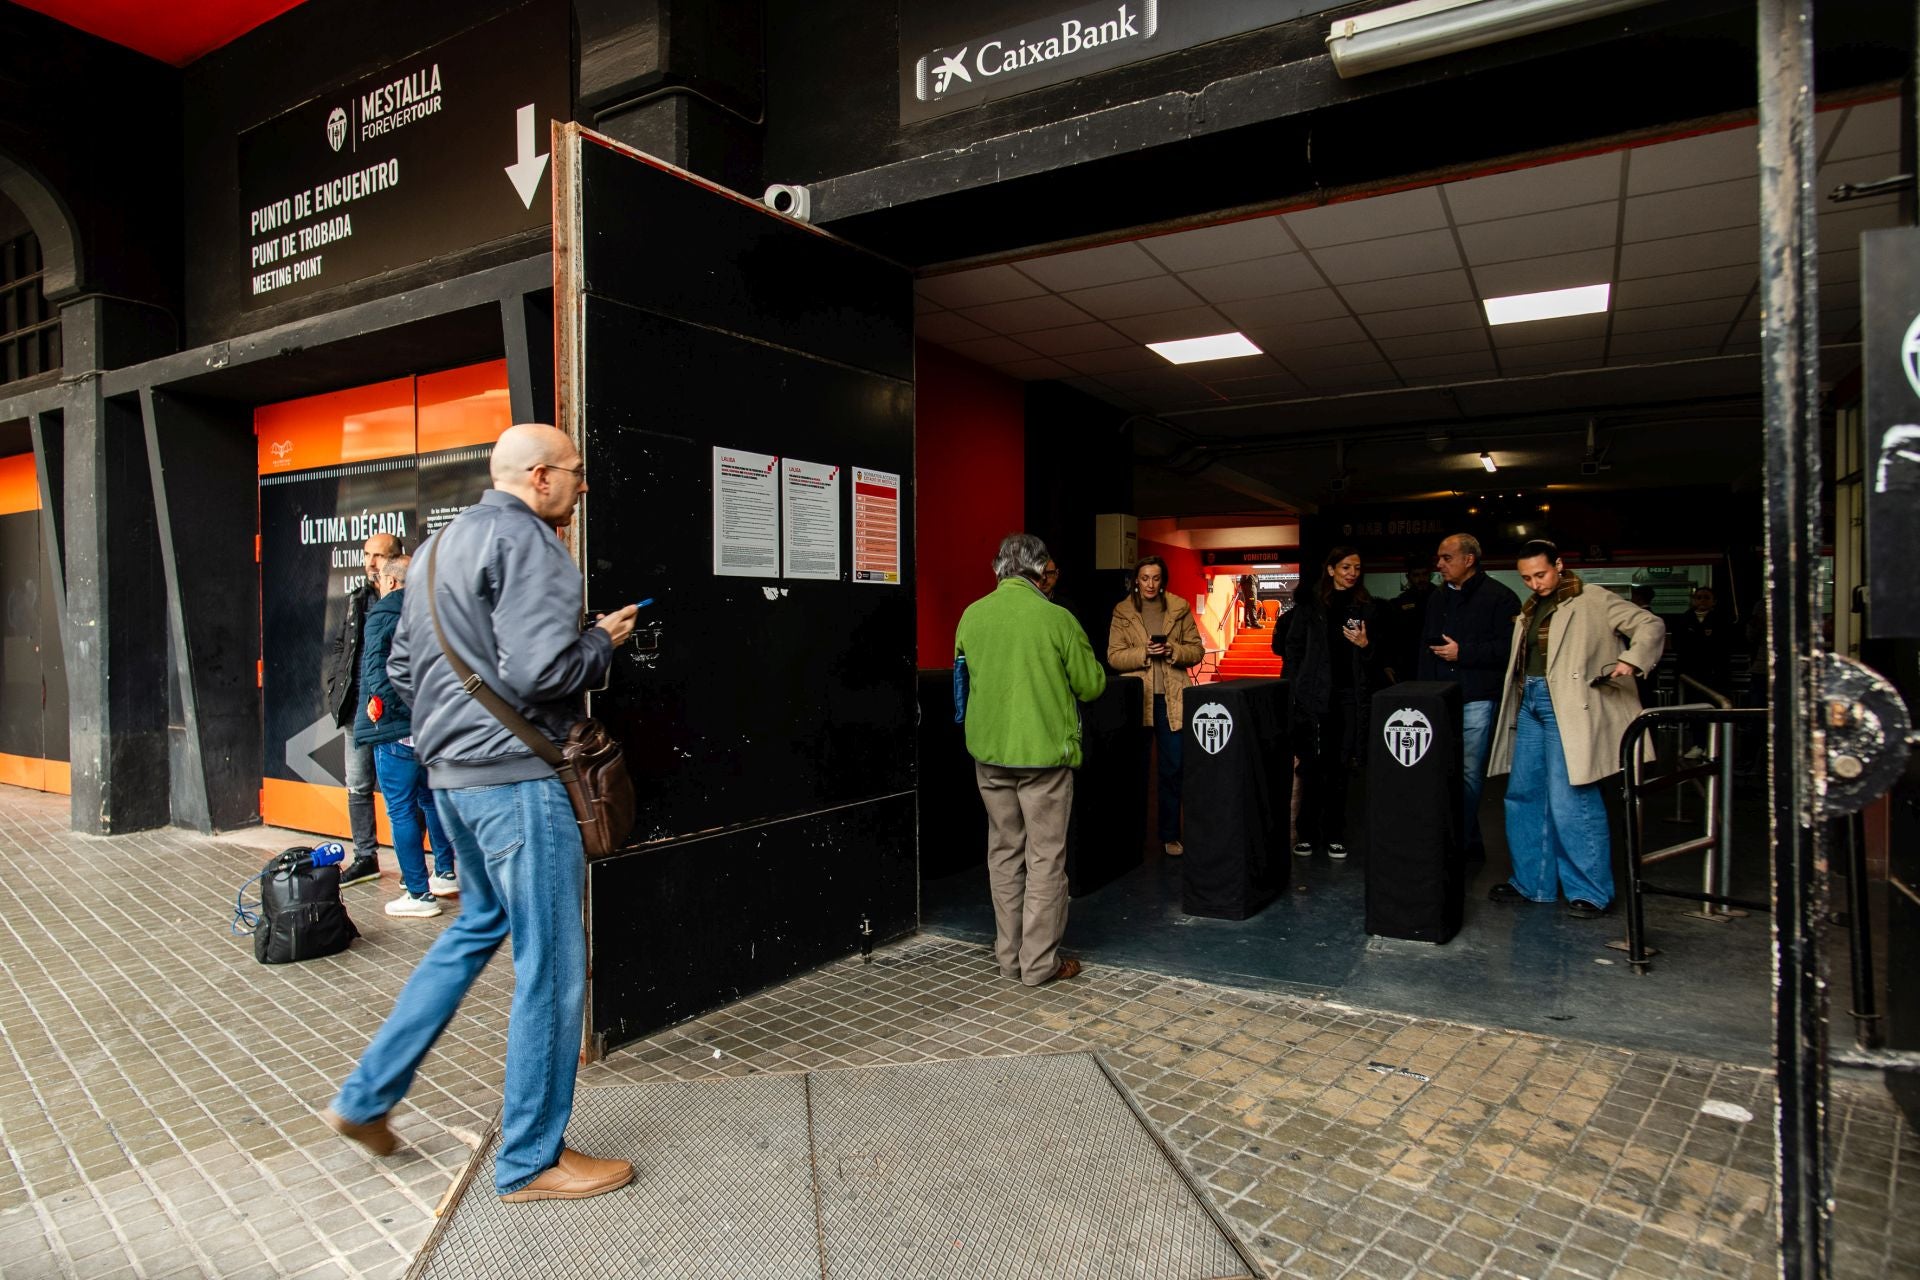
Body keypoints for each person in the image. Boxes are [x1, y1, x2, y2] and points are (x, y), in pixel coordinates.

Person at [322, 423, 640, 1203]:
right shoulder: (534, 546)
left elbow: (400, 665)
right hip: (516, 783)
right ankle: (532, 1159)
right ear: (537, 478)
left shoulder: (435, 552)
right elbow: (543, 670)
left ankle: (366, 1097)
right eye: (573, 472)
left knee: (472, 929)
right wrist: (599, 642)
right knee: (554, 965)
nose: (581, 485)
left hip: (451, 781)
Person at [955, 533, 1106, 985]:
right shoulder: (1056, 619)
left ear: (998, 569)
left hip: (990, 756)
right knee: (1045, 859)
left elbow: (963, 685)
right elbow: (1092, 684)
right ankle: (1038, 963)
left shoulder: (971, 616)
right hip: (1043, 758)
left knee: (1003, 855)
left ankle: (1008, 958)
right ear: (1040, 571)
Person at [1486, 540, 1664, 918]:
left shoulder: (1593, 597)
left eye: (1541, 574)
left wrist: (1631, 661)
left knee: (1571, 796)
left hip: (1566, 705)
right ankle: (1532, 882)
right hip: (1530, 702)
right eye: (1527, 578)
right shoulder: (1530, 607)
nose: (1535, 583)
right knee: (1523, 794)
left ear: (1560, 565)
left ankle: (1590, 891)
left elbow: (1650, 624)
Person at [354, 555, 458, 918]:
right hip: (431, 729)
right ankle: (444, 873)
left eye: (381, 577)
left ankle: (419, 894)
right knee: (432, 802)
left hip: (399, 732)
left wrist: (400, 715)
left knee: (400, 811)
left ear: (393, 582)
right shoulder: (432, 610)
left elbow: (375, 675)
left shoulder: (384, 613)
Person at [1417, 533, 1521, 860]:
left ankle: (1456, 842)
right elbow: (1427, 646)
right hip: (1439, 698)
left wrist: (1464, 653)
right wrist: (1423, 693)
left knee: (1469, 774)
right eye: (1439, 558)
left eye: (1446, 558)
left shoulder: (1500, 598)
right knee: (1443, 770)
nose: (1439, 564)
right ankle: (1467, 839)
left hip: (1477, 696)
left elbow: (1509, 650)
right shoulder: (1437, 597)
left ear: (1469, 560)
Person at [1277, 547, 1375, 859]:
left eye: (1357, 567)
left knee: (1340, 768)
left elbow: (1378, 657)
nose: (1352, 573)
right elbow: (1291, 649)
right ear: (1331, 569)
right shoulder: (1310, 605)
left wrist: (1365, 645)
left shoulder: (1366, 606)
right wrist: (1296, 690)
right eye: (1346, 567)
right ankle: (1305, 832)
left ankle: (1335, 833)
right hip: (1312, 699)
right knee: (1310, 766)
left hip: (1348, 698)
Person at [1107, 556, 1205, 856]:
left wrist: (1173, 649)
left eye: (1156, 578)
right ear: (1136, 580)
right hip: (1138, 699)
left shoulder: (1178, 607)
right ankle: (1130, 836)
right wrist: (1144, 653)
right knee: (1133, 770)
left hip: (1172, 700)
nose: (1150, 584)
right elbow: (1113, 656)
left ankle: (1170, 834)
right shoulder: (1122, 610)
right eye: (1145, 578)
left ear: (1163, 580)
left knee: (1173, 768)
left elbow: (1197, 649)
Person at [322, 532, 401, 887]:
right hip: (356, 708)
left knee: (402, 790)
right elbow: (342, 645)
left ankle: (412, 868)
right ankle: (365, 857)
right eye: (366, 554)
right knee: (357, 785)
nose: (370, 563)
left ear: (397, 559)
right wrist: (334, 687)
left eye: (379, 556)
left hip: (391, 711)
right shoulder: (356, 599)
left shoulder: (406, 600)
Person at [1670, 585, 1735, 697]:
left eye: (1706, 597)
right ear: (1693, 600)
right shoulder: (1683, 619)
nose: (1702, 600)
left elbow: (1725, 645)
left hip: (1713, 669)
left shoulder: (1722, 620)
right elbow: (1677, 643)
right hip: (1688, 668)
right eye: (1699, 597)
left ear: (1713, 601)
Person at [1382, 558, 1437, 685]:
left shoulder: (1442, 598)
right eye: (1416, 575)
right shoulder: (1400, 602)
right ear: (1409, 577)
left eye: (1424, 574)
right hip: (1409, 662)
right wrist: (1389, 663)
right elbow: (1391, 636)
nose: (1421, 579)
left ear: (1430, 574)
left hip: (1437, 660)